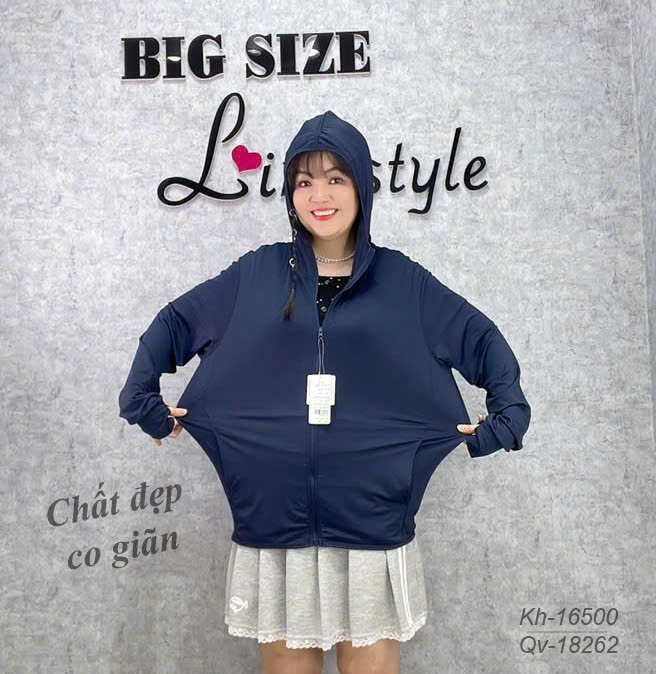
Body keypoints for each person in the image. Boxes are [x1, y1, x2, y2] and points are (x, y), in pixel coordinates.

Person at [118, 110, 531, 674]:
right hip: (275, 530)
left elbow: (480, 339)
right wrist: (147, 407)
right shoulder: (257, 274)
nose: (320, 195)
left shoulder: (401, 281)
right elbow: (174, 325)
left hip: (370, 528)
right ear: (290, 193)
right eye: (304, 180)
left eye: (336, 178)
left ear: (361, 185)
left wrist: (503, 422)